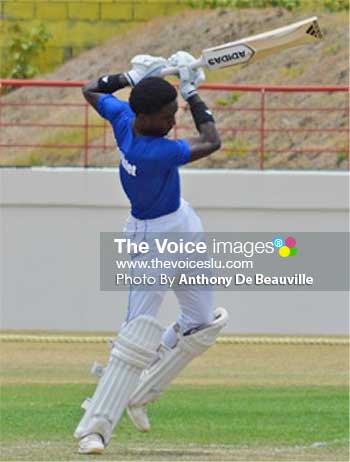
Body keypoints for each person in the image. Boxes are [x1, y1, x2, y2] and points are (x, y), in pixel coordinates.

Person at [75, 52, 228, 454]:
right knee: (135, 334)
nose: (173, 122)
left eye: (175, 113)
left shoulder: (123, 119)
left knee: (202, 324)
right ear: (145, 119)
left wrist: (130, 75)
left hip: (183, 224)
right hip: (152, 240)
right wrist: (193, 93)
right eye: (168, 115)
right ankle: (95, 427)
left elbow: (90, 89)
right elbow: (212, 141)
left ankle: (137, 392)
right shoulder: (152, 151)